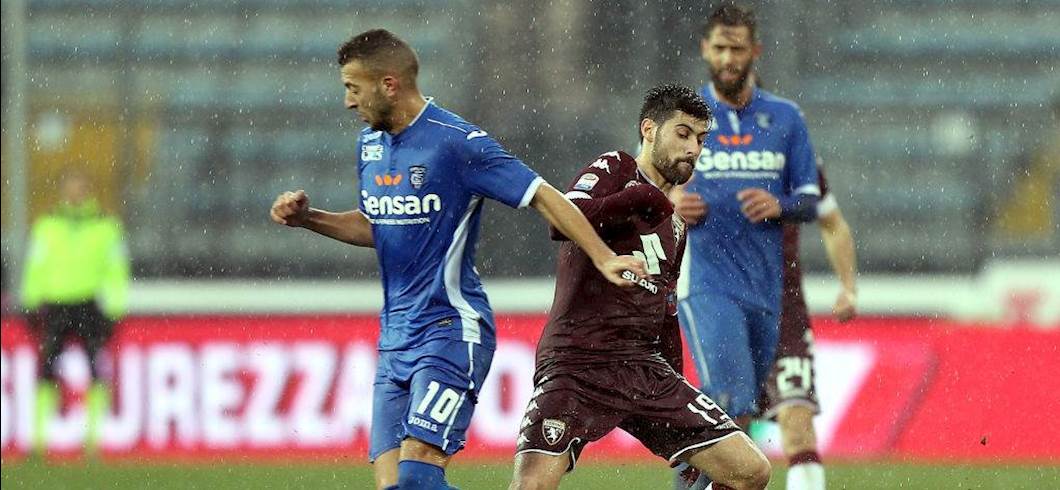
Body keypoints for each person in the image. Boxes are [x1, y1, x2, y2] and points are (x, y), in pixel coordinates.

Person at [269, 29, 645, 490]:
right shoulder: (370, 145)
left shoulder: (457, 142)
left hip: (450, 331)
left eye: (353, 87)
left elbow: (544, 195)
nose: (348, 102)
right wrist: (311, 219)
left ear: (388, 84)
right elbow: (378, 226)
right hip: (394, 341)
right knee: (398, 488)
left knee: (417, 474)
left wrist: (604, 256)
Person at [510, 84, 771, 490]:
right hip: (578, 359)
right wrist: (637, 199)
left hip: (643, 367)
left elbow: (665, 310)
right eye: (682, 134)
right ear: (649, 130)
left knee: (752, 472)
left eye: (700, 139)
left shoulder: (678, 223)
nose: (693, 149)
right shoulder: (616, 168)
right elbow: (561, 219)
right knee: (532, 487)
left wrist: (681, 407)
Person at [673, 0, 821, 450]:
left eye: (736, 49)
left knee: (741, 419)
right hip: (706, 282)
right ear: (704, 49)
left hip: (766, 289)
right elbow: (643, 184)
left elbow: (811, 200)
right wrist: (670, 200)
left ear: (755, 50)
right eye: (719, 48)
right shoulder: (683, 117)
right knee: (728, 404)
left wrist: (780, 205)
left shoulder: (786, 118)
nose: (727, 59)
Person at [753, 163, 858, 490]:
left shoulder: (796, 155)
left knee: (797, 421)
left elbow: (833, 223)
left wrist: (848, 286)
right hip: (722, 309)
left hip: (785, 311)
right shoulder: (707, 147)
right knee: (725, 431)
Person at [20, 168, 130, 454]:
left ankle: (93, 439)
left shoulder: (106, 226)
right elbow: (36, 265)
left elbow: (117, 270)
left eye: (80, 185)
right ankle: (39, 439)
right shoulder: (47, 225)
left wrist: (115, 308)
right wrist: (31, 301)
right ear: (62, 189)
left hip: (88, 303)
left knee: (96, 368)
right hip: (55, 305)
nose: (76, 192)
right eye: (71, 185)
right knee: (46, 369)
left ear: (89, 189)